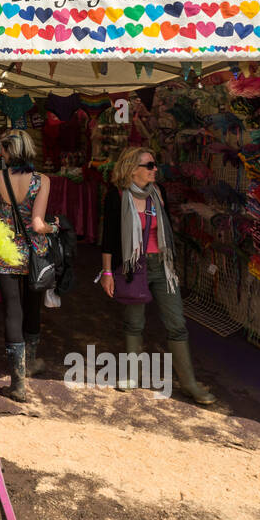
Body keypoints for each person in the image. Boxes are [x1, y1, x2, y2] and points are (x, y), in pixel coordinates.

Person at [99, 146, 216, 404]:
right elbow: (108, 237)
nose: (155, 169)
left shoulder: (158, 193)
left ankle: (190, 384)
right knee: (134, 322)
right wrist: (107, 271)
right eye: (149, 165)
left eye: (155, 164)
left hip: (162, 266)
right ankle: (132, 374)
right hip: (132, 266)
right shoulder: (116, 196)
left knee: (177, 324)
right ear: (132, 169)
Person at [0, 130, 54, 402]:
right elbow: (38, 223)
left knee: (12, 309)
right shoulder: (42, 180)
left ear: (10, 153)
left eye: (4, 150)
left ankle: (17, 382)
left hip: (5, 250)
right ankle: (31, 361)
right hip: (35, 252)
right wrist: (54, 226)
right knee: (32, 305)